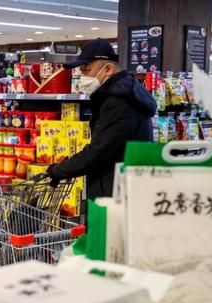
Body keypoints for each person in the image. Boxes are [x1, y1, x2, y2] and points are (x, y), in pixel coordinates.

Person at [47, 38, 157, 199]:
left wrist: (58, 170)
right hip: (126, 185)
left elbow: (99, 150)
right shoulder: (125, 91)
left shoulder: (119, 101)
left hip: (116, 192)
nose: (82, 77)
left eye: (86, 70)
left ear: (108, 69)